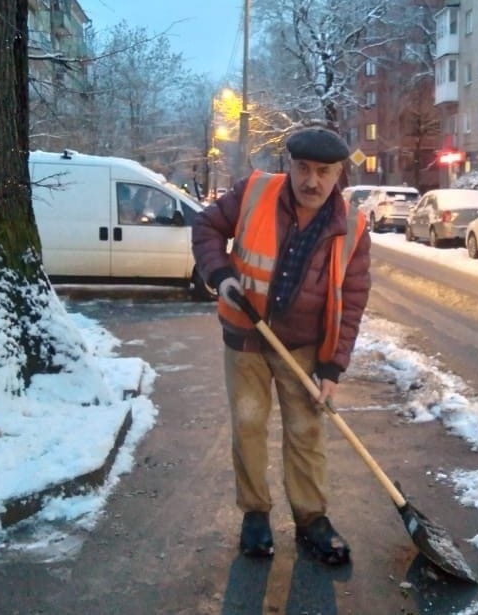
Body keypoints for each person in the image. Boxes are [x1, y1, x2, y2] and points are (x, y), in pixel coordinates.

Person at [191, 127, 371, 565]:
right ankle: (255, 514)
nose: (311, 181)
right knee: (249, 426)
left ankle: (312, 519)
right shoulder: (255, 192)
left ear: (339, 174)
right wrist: (220, 274)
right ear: (289, 165)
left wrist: (332, 368)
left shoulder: (352, 226)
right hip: (246, 337)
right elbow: (206, 227)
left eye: (323, 172)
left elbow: (352, 302)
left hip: (304, 348)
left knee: (307, 432)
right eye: (303, 168)